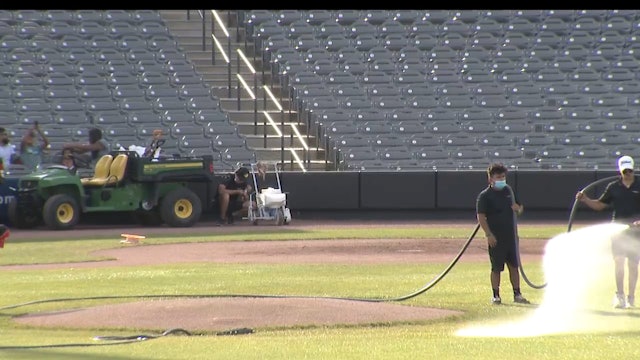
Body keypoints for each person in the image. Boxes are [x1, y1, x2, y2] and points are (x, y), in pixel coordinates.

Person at [576, 155, 640, 309]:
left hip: (636, 231)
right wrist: (585, 199)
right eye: (625, 171)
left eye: (630, 170)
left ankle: (631, 297)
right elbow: (600, 205)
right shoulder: (613, 187)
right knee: (618, 262)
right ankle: (620, 296)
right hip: (618, 230)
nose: (628, 174)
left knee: (633, 264)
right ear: (620, 171)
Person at [476, 162, 530, 305]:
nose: (502, 180)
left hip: (511, 237)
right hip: (496, 238)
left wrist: (518, 209)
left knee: (514, 266)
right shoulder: (485, 196)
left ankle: (517, 294)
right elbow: (481, 217)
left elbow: (520, 208)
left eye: (503, 177)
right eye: (498, 177)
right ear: (491, 179)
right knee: (496, 268)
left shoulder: (509, 191)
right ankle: (496, 295)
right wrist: (488, 234)